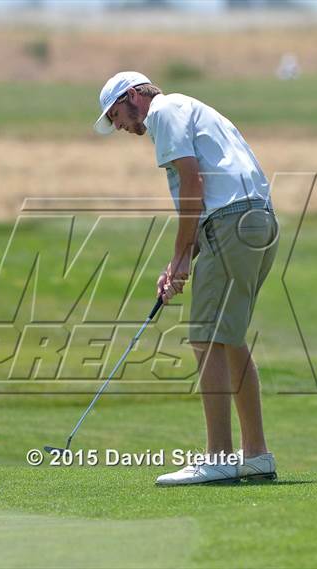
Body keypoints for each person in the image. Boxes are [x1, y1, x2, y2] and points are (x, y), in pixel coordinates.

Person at [94, 71, 279, 486]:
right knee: (228, 339)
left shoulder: (164, 111)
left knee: (205, 337)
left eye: (117, 115)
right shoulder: (190, 110)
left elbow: (194, 184)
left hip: (233, 224)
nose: (119, 126)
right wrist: (181, 260)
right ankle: (256, 455)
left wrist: (180, 257)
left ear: (133, 97)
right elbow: (208, 195)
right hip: (257, 223)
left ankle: (217, 457)